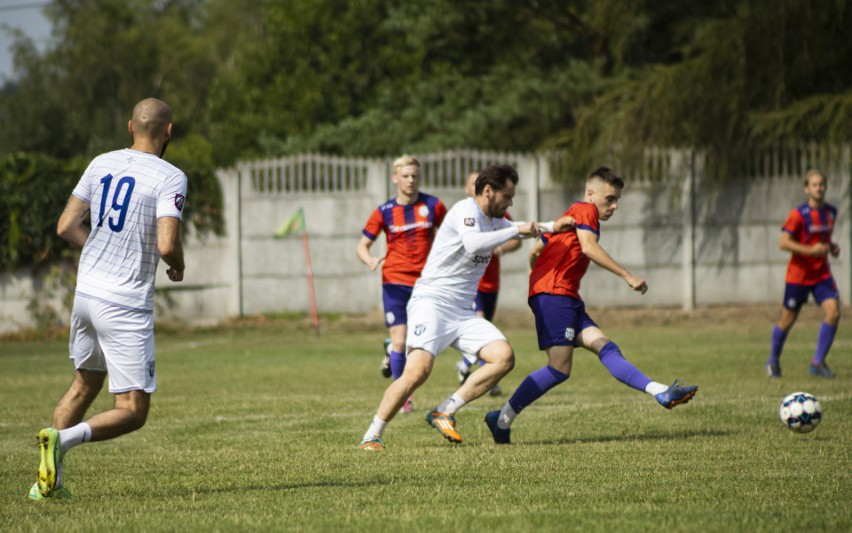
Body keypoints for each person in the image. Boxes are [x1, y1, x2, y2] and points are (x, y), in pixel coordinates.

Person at [29, 98, 187, 500]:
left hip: (85, 295)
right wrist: (178, 266)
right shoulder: (170, 177)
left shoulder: (101, 162)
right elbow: (167, 245)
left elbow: (66, 226)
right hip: (124, 303)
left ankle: (45, 486)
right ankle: (60, 440)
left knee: (84, 386)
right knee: (133, 410)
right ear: (169, 131)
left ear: (130, 127)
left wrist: (101, 245)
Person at [358, 164, 570, 451]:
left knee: (503, 356)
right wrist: (516, 229)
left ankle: (445, 410)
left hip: (461, 311)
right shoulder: (464, 211)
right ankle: (372, 435)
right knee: (417, 372)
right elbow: (473, 244)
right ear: (487, 191)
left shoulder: (496, 220)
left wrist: (553, 226)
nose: (510, 202)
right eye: (507, 196)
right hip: (432, 302)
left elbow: (518, 229)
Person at [484, 167, 698, 445]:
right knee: (559, 369)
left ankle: (661, 391)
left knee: (605, 346)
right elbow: (588, 247)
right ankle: (502, 419)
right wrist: (627, 275)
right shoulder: (586, 210)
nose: (614, 206)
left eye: (617, 199)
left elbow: (536, 249)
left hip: (564, 296)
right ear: (590, 193)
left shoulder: (570, 215)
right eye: (609, 198)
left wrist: (533, 270)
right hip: (555, 295)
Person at [355, 155, 447, 413]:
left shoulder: (434, 205)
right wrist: (371, 260)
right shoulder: (384, 211)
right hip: (394, 281)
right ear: (395, 178)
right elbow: (361, 246)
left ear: (420, 177)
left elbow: (451, 235)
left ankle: (392, 352)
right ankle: (403, 398)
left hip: (425, 284)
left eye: (414, 176)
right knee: (400, 340)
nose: (410, 180)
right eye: (405, 176)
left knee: (418, 341)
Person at [766, 169, 840, 379]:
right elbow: (783, 242)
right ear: (806, 188)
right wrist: (811, 251)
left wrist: (832, 247)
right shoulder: (798, 214)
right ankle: (773, 361)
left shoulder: (831, 212)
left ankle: (817, 363)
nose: (819, 188)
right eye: (814, 185)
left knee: (834, 312)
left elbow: (821, 239)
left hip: (821, 275)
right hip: (798, 276)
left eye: (822, 184)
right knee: (788, 320)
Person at [454, 170, 521, 396]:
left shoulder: (499, 214)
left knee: (484, 330)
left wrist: (503, 246)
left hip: (492, 281)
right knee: (481, 323)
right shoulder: (465, 215)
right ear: (468, 189)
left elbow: (515, 239)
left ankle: (464, 366)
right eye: (472, 184)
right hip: (471, 284)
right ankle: (489, 378)